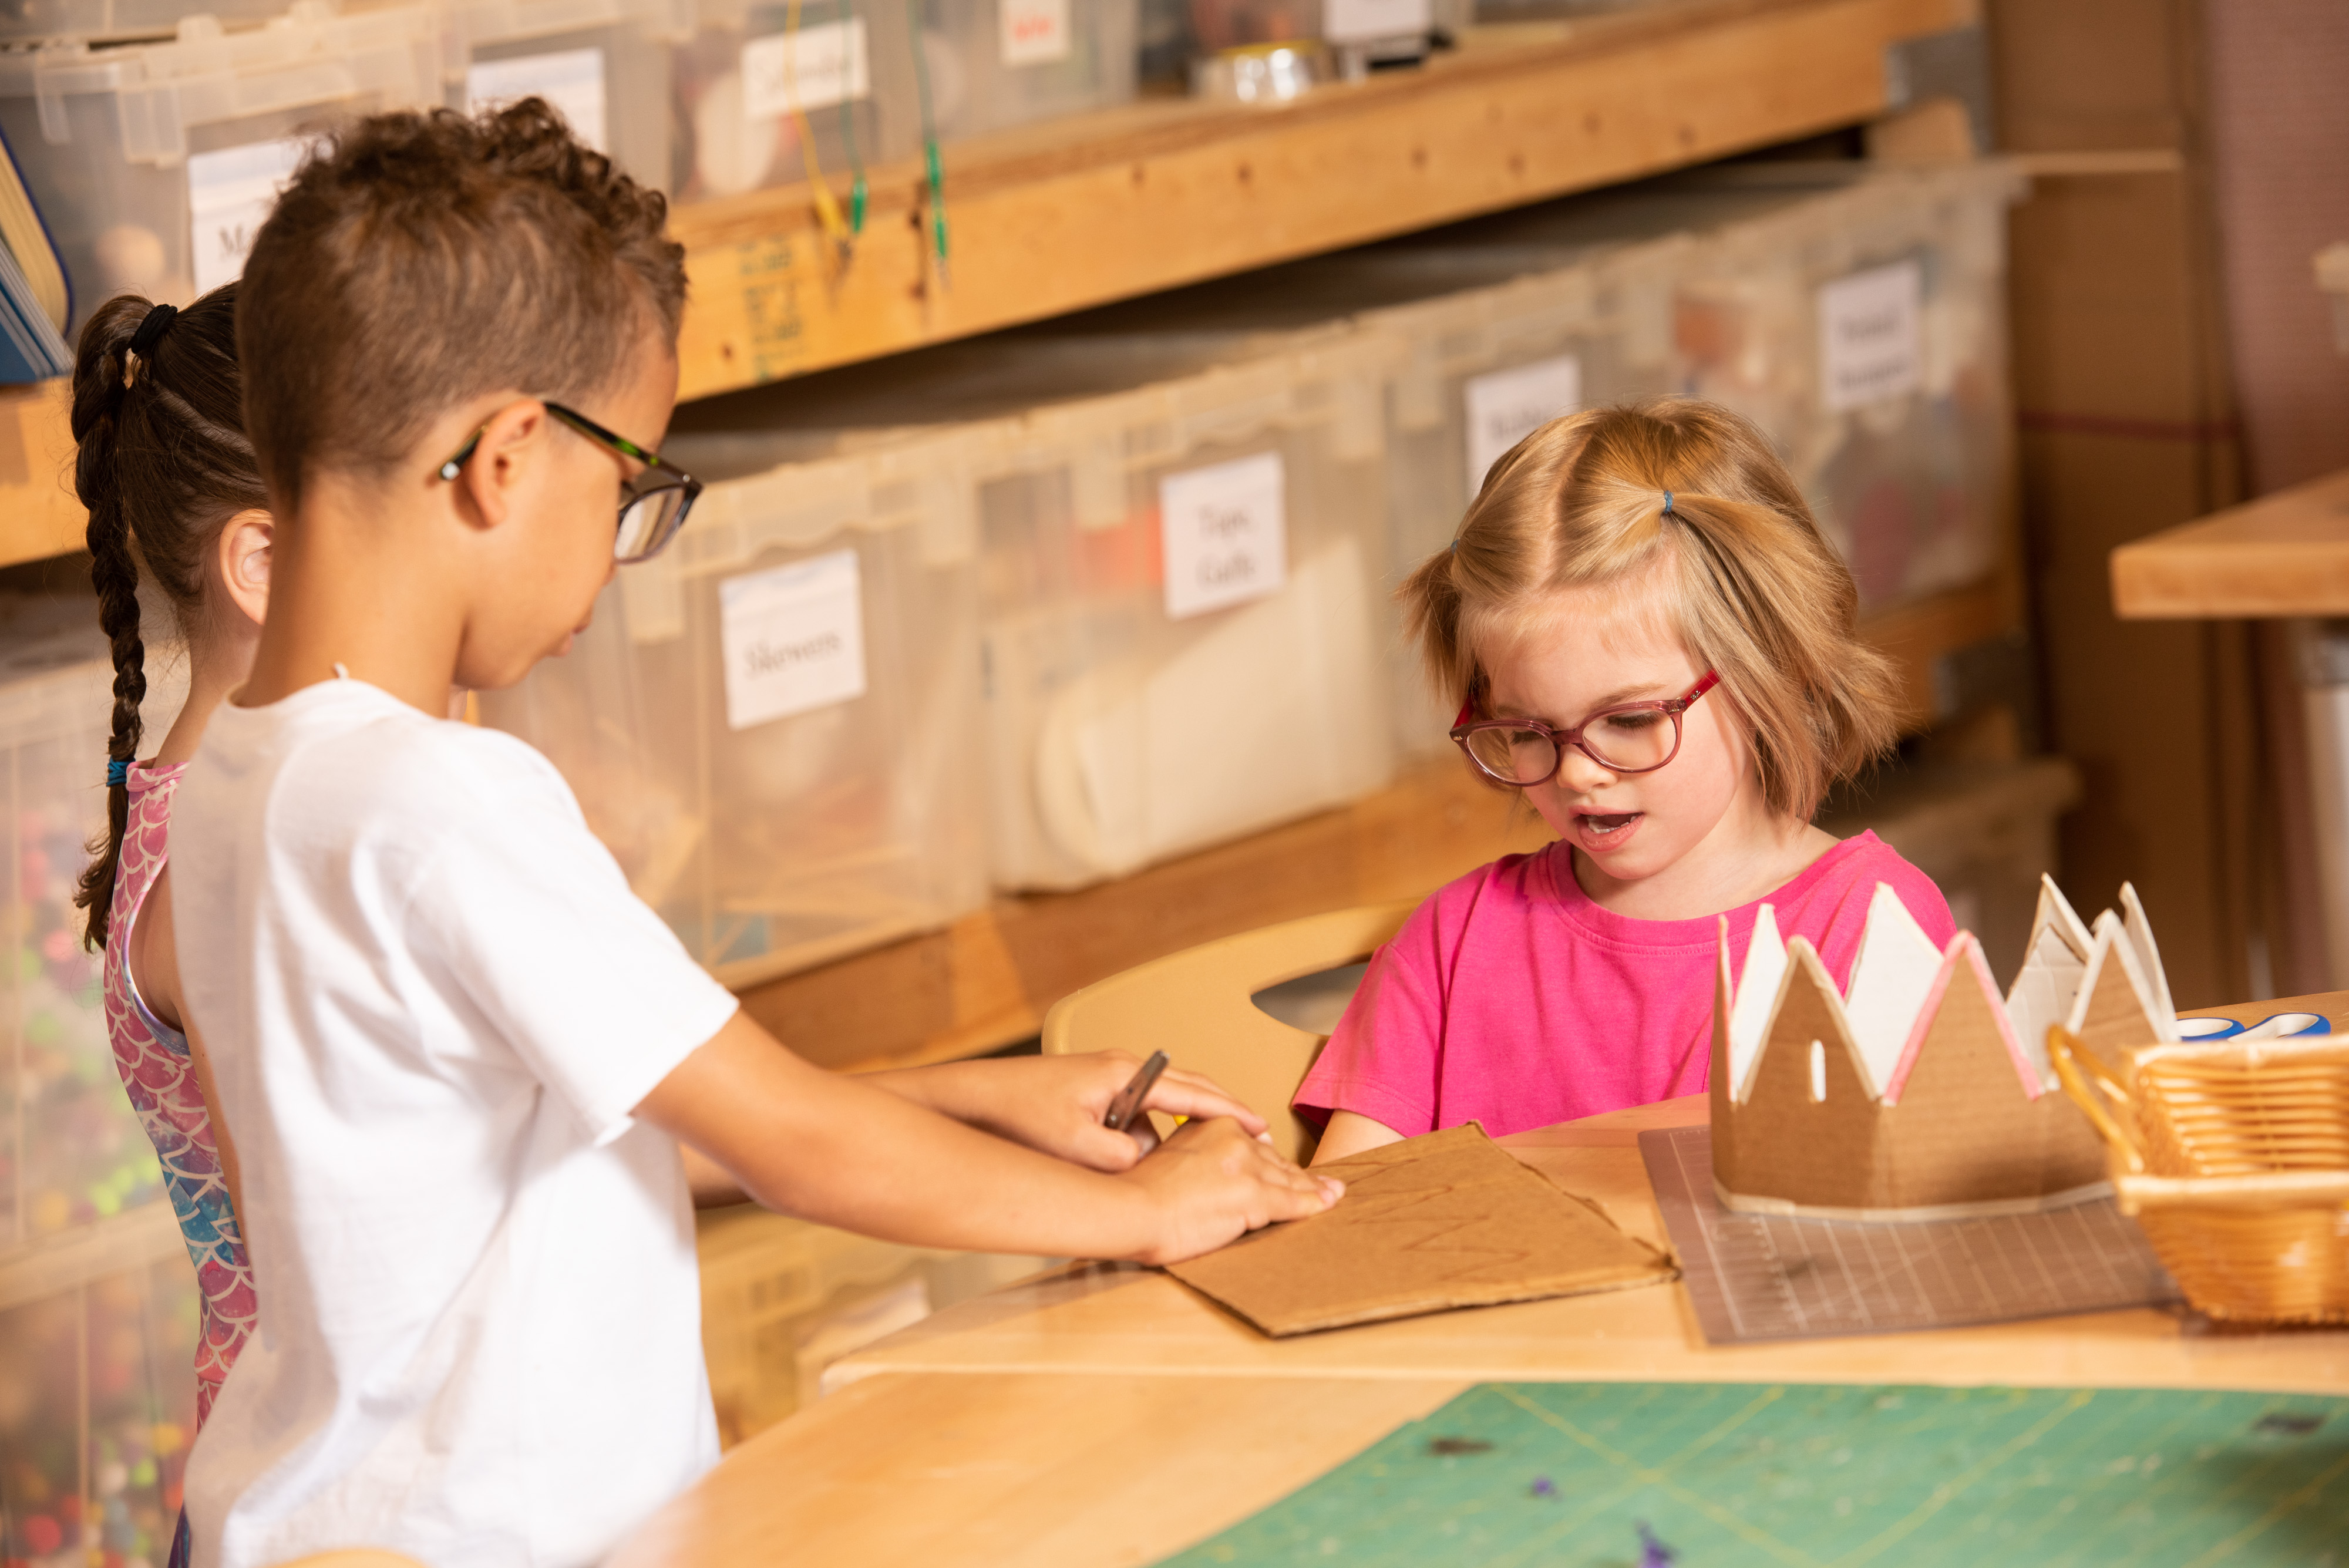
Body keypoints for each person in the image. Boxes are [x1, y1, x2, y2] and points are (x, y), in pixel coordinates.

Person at [169, 100, 1340, 1568]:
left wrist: (974, 1099)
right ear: (509, 458)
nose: (619, 551)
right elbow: (785, 1144)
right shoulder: (445, 801)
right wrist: (1150, 1217)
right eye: (631, 486)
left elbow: (522, 1140)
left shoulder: (233, 788)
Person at [1300, 399, 1957, 1162]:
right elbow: (1352, 1219)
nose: (1578, 772)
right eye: (1526, 731)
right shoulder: (1453, 942)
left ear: (1769, 668)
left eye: (1631, 719)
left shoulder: (1874, 924)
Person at [70, 287, 271, 1544]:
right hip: (305, 1501)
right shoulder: (228, 853)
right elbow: (327, 1256)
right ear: (259, 557)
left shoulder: (223, 803)